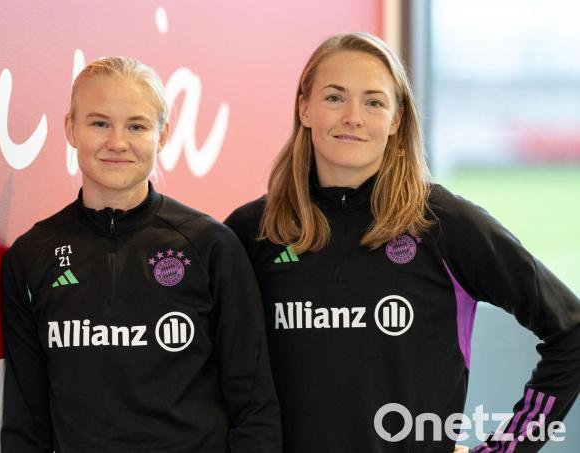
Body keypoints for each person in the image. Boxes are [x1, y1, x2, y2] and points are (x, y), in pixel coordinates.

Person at [224, 32, 580, 452]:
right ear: (304, 108)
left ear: (396, 120)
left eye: (374, 101)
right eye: (335, 97)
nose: (353, 116)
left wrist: (506, 448)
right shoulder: (252, 231)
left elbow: (571, 331)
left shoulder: (443, 223)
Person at [0, 56, 282, 453]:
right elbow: (25, 420)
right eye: (100, 123)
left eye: (136, 126)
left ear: (162, 136)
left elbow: (254, 405)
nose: (117, 142)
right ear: (71, 129)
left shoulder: (210, 245)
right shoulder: (31, 256)